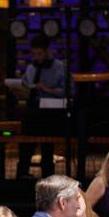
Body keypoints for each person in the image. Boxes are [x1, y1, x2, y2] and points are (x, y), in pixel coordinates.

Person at [16, 34, 67, 178]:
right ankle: (22, 176)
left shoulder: (59, 67)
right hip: (33, 109)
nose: (36, 57)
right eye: (34, 54)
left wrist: (47, 89)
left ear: (47, 51)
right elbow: (25, 84)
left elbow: (67, 91)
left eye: (39, 53)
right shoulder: (31, 67)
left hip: (51, 112)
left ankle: (48, 177)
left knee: (47, 147)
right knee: (26, 144)